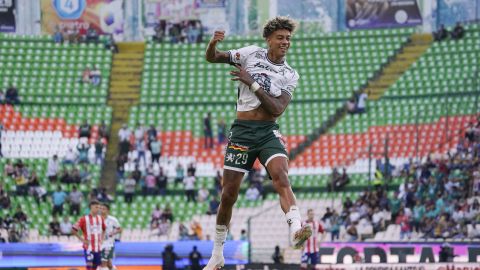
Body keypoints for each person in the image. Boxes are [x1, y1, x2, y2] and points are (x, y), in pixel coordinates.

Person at [203, 17, 311, 269]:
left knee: (281, 176)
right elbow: (213, 57)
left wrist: (250, 81)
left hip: (267, 132)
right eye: (280, 38)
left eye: (288, 38)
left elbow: (277, 109)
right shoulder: (251, 54)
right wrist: (212, 43)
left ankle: (296, 227)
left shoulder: (290, 74)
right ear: (268, 39)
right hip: (241, 133)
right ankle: (217, 253)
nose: (285, 42)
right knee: (228, 195)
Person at [73, 201, 105, 270]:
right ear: (91, 207)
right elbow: (73, 230)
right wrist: (82, 240)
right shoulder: (84, 219)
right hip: (88, 247)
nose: (98, 209)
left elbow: (104, 229)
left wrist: (102, 239)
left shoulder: (100, 218)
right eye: (96, 207)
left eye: (99, 207)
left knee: (95, 267)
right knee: (89, 266)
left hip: (98, 248)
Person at [99, 203, 122, 270]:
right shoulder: (97, 219)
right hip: (99, 243)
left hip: (108, 243)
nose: (101, 210)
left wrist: (113, 233)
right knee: (109, 264)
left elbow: (120, 229)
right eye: (101, 209)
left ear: (108, 211)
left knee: (103, 263)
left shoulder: (112, 219)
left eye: (104, 209)